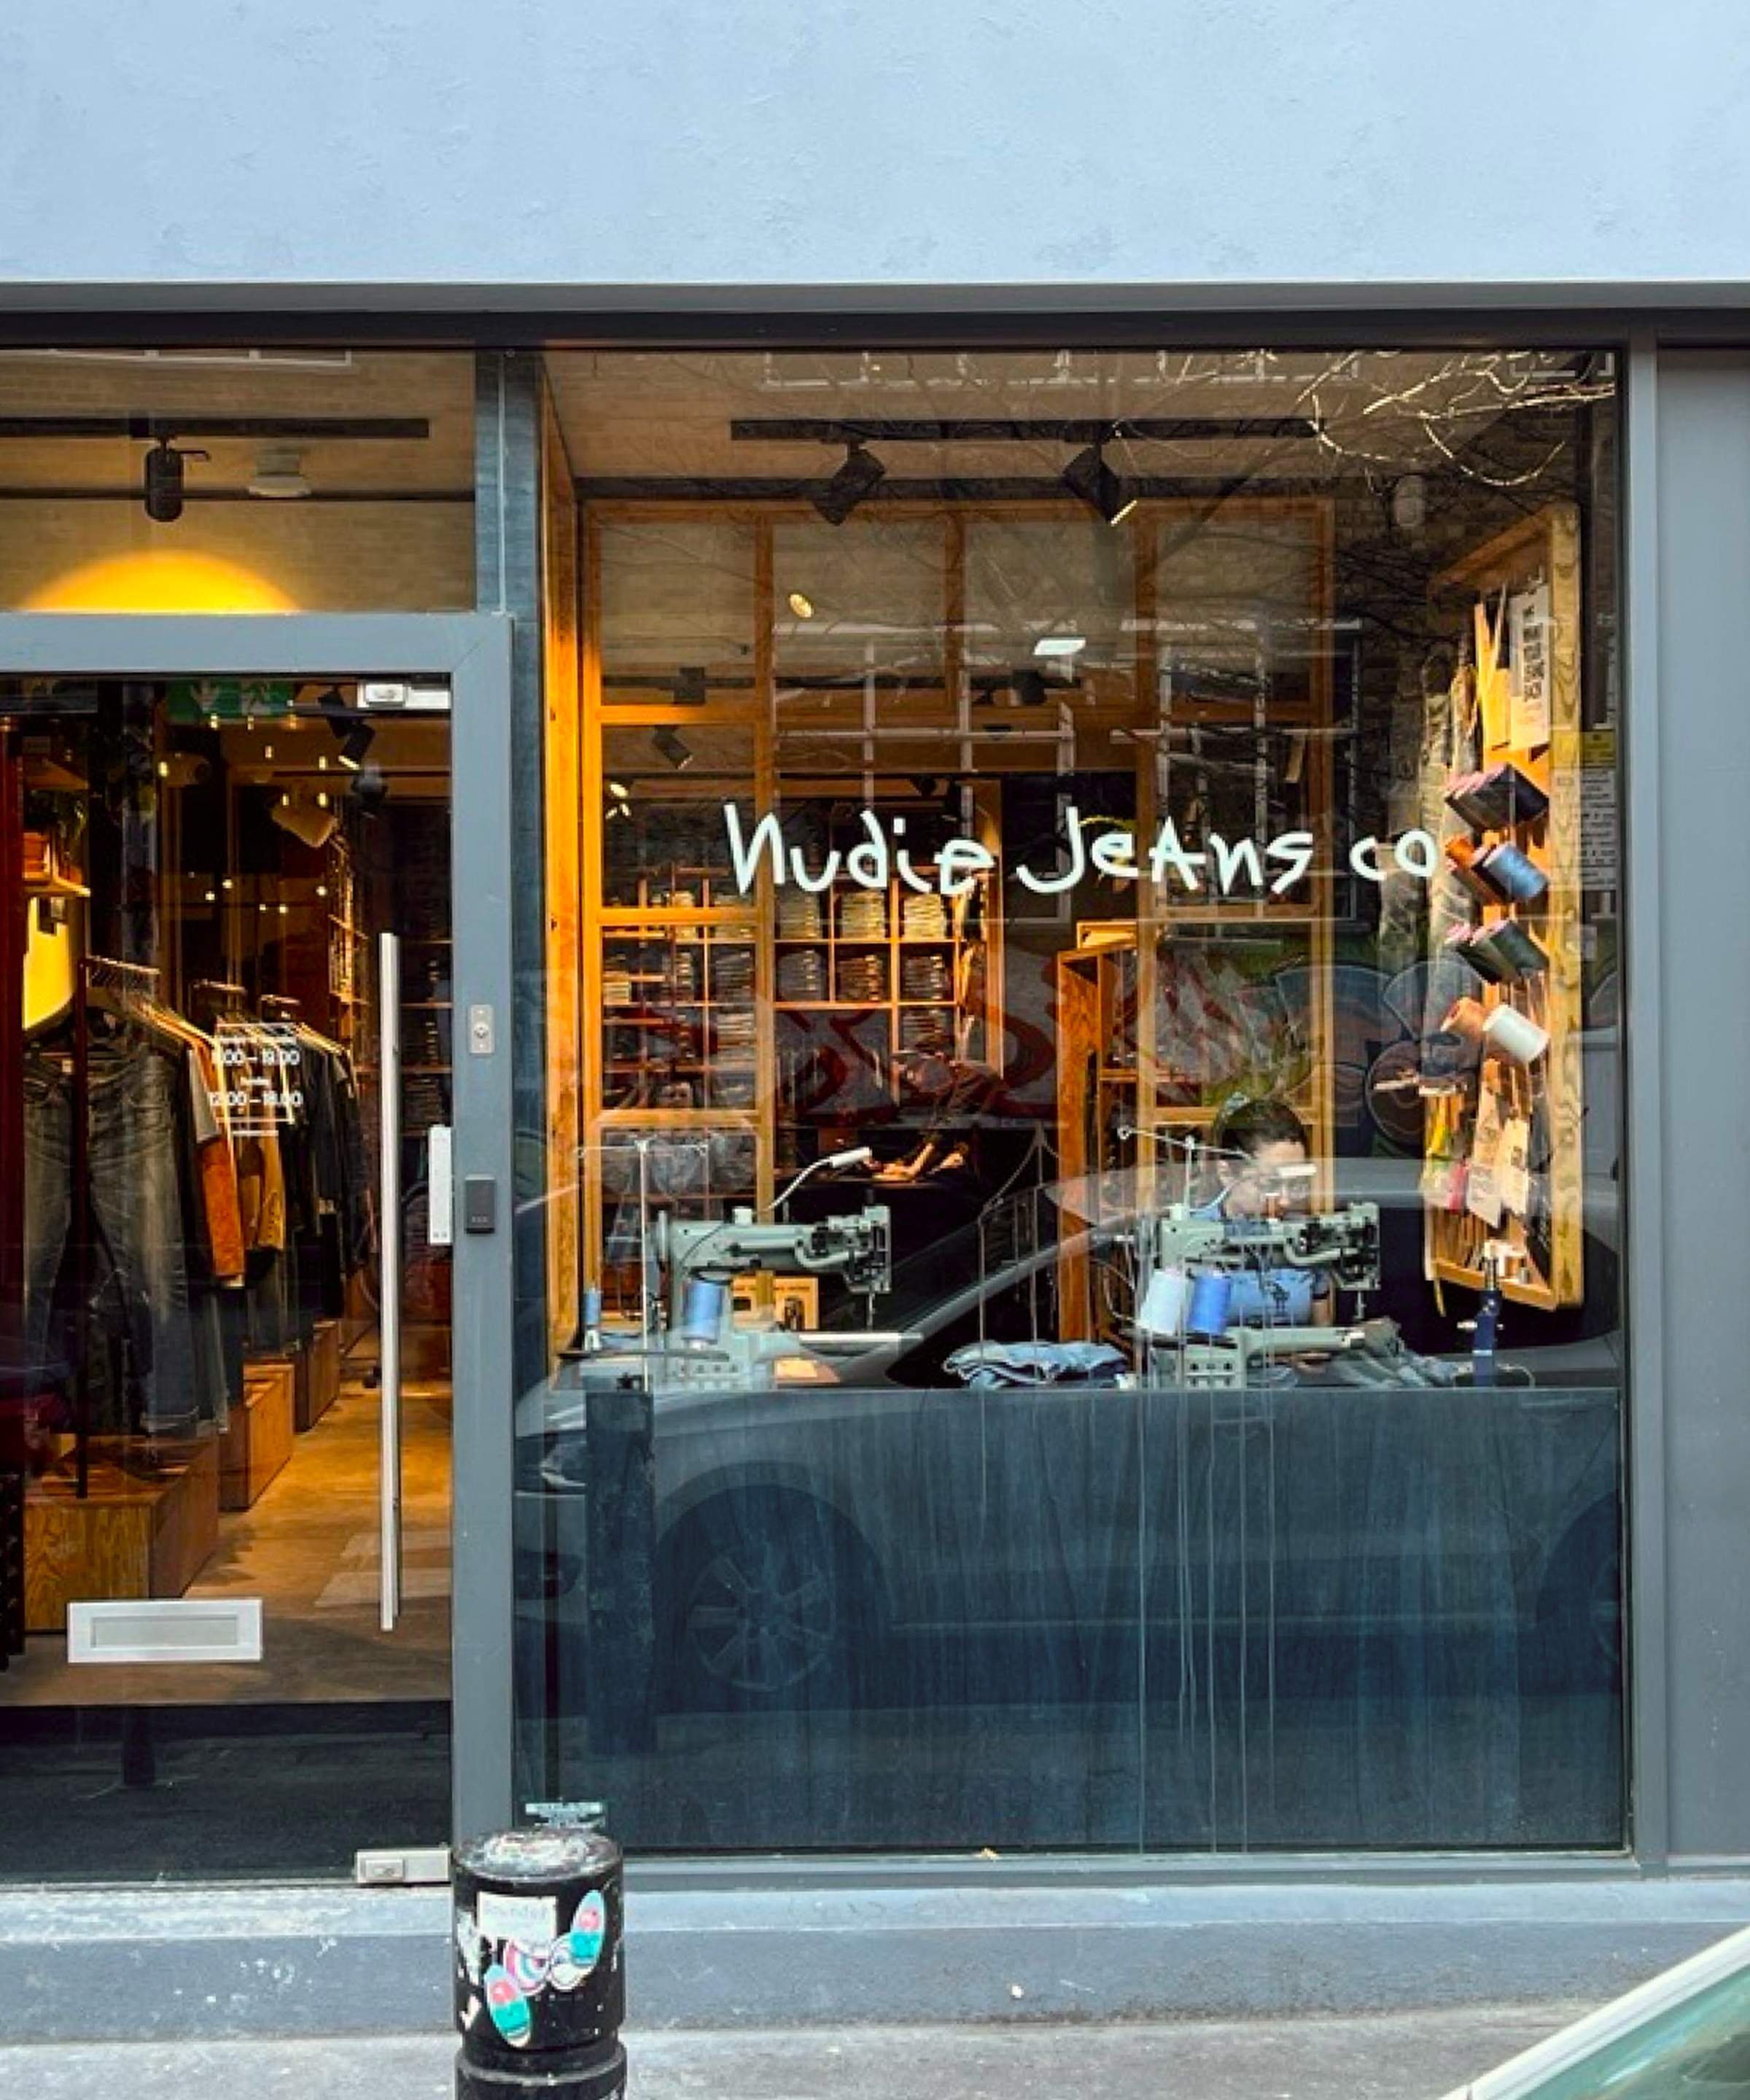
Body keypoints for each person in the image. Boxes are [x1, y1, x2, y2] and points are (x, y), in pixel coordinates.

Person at [1195, 1094, 1334, 1330]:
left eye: (1296, 1184)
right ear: (1227, 1173)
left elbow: (1322, 1334)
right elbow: (1165, 1347)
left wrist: (1314, 1356)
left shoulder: (1304, 1236)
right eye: (1269, 1185)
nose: (1286, 1200)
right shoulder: (1190, 1237)